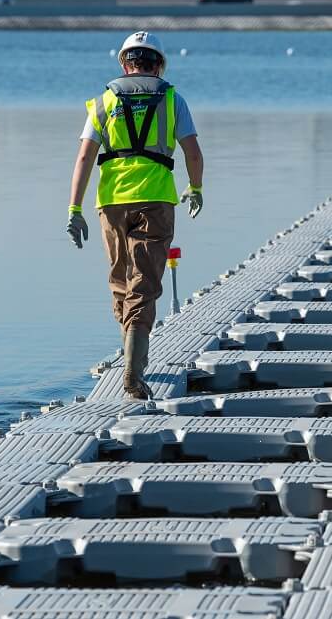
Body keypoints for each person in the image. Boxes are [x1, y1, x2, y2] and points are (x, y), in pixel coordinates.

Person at [65, 31, 204, 400]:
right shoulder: (173, 99)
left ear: (124, 63)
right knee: (145, 282)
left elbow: (84, 158)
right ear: (158, 64)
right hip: (156, 200)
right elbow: (192, 151)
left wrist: (74, 209)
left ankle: (131, 353)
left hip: (111, 203)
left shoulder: (103, 102)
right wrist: (196, 187)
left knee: (121, 279)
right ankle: (133, 368)